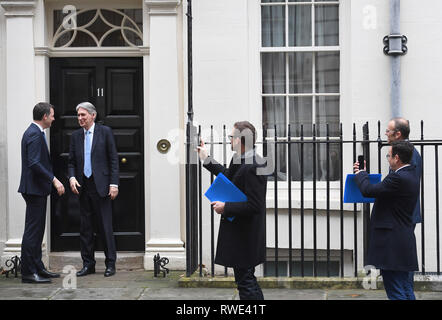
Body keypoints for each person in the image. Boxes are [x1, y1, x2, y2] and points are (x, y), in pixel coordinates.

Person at [197, 121, 267, 300]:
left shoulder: (255, 165)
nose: (229, 140)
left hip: (246, 235)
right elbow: (229, 176)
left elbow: (255, 205)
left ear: (240, 140)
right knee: (246, 280)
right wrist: (207, 158)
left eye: (232, 137)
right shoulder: (241, 159)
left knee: (246, 282)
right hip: (240, 233)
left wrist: (225, 207)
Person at [354, 140, 419, 300]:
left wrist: (360, 174)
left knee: (396, 291)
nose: (388, 159)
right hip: (402, 240)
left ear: (397, 158)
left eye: (388, 156)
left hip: (392, 244)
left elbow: (368, 190)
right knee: (405, 288)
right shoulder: (410, 174)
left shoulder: (398, 178)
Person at [68, 102, 119, 277]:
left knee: (105, 227)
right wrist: (72, 177)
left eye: (83, 115)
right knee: (86, 228)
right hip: (83, 187)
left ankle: (110, 264)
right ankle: (88, 264)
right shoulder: (75, 136)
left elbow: (113, 159)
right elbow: (71, 162)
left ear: (93, 115)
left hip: (103, 187)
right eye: (79, 115)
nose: (80, 118)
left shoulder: (105, 132)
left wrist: (114, 184)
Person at [18, 102, 65, 284]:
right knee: (32, 232)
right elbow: (34, 163)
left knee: (37, 232)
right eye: (52, 115)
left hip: (35, 189)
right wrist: (53, 179)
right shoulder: (35, 135)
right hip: (34, 189)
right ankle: (29, 273)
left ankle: (38, 267)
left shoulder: (35, 132)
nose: (54, 118)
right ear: (45, 116)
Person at [385, 117, 422, 294]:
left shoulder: (410, 154)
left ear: (398, 134)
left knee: (402, 265)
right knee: (402, 262)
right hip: (403, 214)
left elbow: (405, 184)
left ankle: (406, 295)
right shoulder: (404, 151)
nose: (385, 133)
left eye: (388, 131)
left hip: (404, 214)